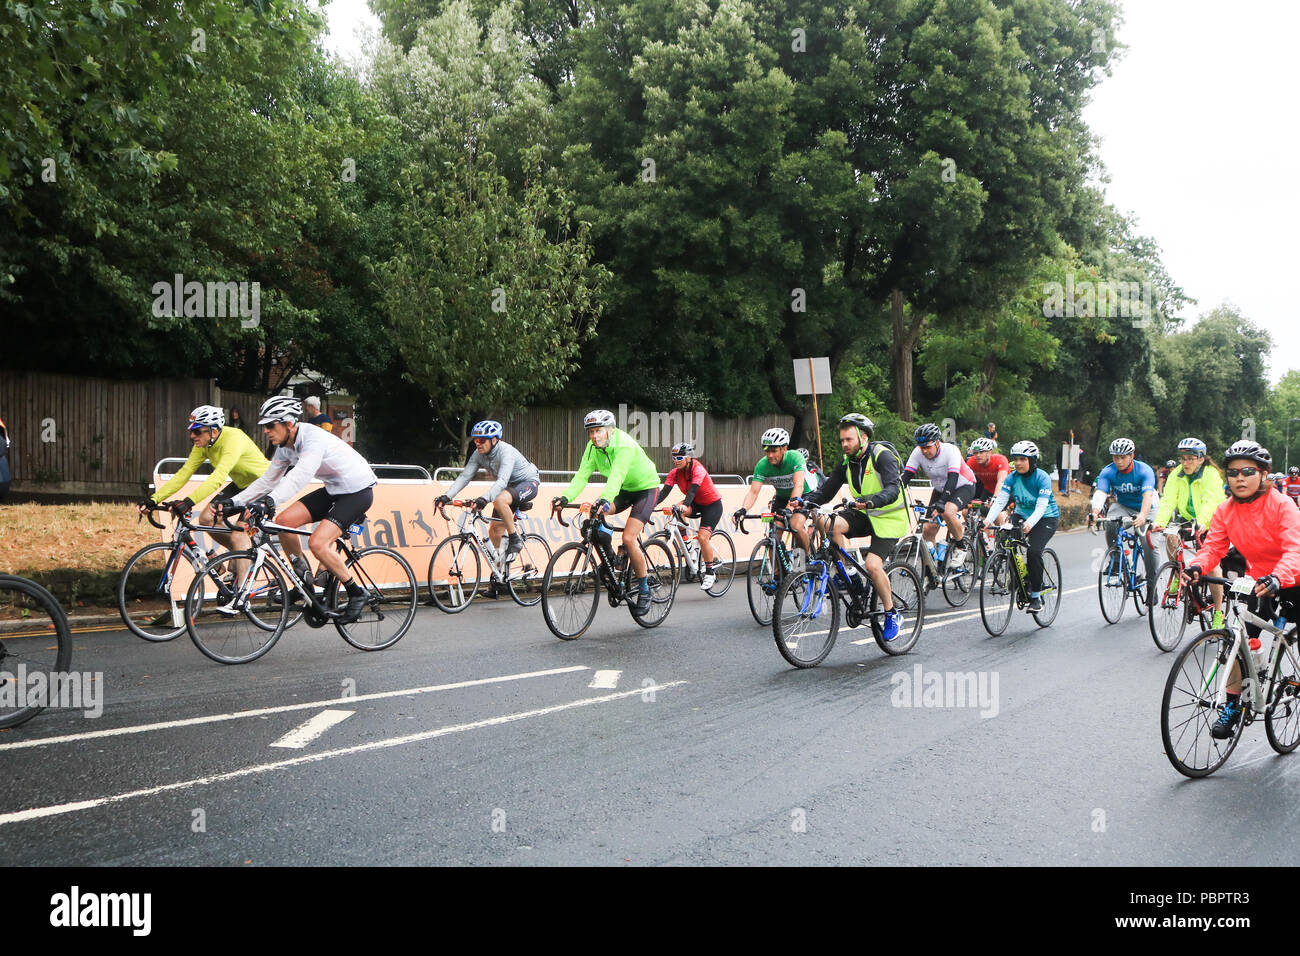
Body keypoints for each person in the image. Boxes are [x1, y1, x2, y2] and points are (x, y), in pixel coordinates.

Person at [217, 396, 378, 622]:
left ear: (288, 424)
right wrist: (234, 502)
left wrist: (269, 502)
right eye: (265, 426)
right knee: (283, 522)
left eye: (271, 425)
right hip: (334, 490)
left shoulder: (313, 438)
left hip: (357, 492)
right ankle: (306, 583)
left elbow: (300, 475)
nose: (266, 431)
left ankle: (356, 593)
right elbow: (267, 481)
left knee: (317, 543)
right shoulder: (284, 447)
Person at [1183, 441, 1300, 738]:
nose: (1239, 477)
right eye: (1232, 472)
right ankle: (1234, 705)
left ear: (1263, 474)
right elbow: (1214, 549)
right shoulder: (1226, 510)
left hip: (1293, 577)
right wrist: (1196, 567)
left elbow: (1294, 550)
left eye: (1248, 471)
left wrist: (1279, 577)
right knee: (1240, 640)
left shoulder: (1282, 505)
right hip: (1260, 580)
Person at [795, 413, 907, 641]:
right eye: (842, 440)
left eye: (849, 440)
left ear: (863, 437)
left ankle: (891, 612)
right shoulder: (847, 462)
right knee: (826, 522)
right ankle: (850, 574)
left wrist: (872, 500)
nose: (845, 444)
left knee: (873, 565)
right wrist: (805, 501)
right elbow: (827, 490)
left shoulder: (881, 456)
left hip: (889, 518)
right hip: (865, 513)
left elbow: (893, 488)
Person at [552, 409, 662, 614]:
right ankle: (613, 559)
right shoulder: (592, 448)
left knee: (629, 538)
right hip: (624, 490)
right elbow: (581, 475)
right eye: (591, 432)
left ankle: (645, 589)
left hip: (646, 489)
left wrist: (605, 499)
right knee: (594, 519)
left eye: (598, 431)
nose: (594, 436)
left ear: (610, 430)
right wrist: (565, 497)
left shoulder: (624, 444)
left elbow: (617, 475)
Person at [138, 405, 271, 563]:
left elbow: (218, 477)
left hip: (263, 485)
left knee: (238, 534)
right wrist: (154, 499)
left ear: (214, 431)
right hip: (242, 484)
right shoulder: (203, 444)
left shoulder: (234, 438)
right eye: (191, 431)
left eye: (197, 431)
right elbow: (184, 473)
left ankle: (241, 583)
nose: (192, 436)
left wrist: (188, 502)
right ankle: (241, 554)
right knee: (207, 519)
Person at [436, 420, 540, 562]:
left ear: (494, 440)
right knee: (494, 532)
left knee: (499, 500)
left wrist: (485, 498)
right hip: (507, 488)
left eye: (482, 440)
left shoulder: (506, 452)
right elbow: (465, 476)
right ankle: (500, 574)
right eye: (475, 440)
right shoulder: (478, 454)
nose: (477, 443)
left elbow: (502, 481)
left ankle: (515, 539)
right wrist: (447, 496)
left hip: (527, 482)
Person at [1151, 437, 1227, 626]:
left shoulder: (1211, 474)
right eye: (1183, 458)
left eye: (1191, 458)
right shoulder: (1176, 473)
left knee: (1211, 565)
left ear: (1201, 459)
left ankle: (1219, 613)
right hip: (1187, 516)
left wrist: (1202, 522)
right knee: (1170, 535)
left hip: (1211, 519)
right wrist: (1159, 522)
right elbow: (1168, 499)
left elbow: (1212, 500)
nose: (1185, 463)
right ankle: (1178, 574)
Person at [982, 441, 1060, 612]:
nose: (1018, 463)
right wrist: (988, 520)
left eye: (1022, 459)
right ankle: (1020, 578)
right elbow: (1001, 500)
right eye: (1016, 459)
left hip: (1046, 518)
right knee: (1005, 541)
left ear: (1032, 461)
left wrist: (1029, 524)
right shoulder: (1012, 477)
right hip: (1021, 515)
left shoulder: (1042, 477)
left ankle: (1036, 596)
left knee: (1033, 552)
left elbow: (1041, 507)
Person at [1091, 437, 1159, 600]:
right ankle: (1116, 558)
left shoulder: (1144, 471)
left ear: (1132, 456)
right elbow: (1101, 494)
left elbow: (1148, 496)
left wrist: (1143, 515)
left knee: (1147, 542)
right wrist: (1094, 513)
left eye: (1123, 457)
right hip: (1123, 506)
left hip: (1147, 506)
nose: (1119, 461)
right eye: (1115, 457)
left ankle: (1152, 583)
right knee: (1111, 524)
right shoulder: (1108, 471)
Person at [903, 423, 978, 566]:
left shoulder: (951, 451)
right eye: (921, 447)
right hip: (940, 489)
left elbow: (953, 478)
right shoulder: (918, 452)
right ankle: (931, 569)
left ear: (937, 443)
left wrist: (943, 502)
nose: (924, 451)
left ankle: (961, 547)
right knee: (927, 529)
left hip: (963, 485)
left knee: (948, 512)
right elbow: (906, 477)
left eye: (927, 447)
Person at [732, 428, 813, 557]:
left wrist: (789, 508)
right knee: (774, 534)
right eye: (767, 450)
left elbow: (799, 485)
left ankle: (808, 558)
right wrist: (743, 509)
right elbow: (753, 492)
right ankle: (775, 575)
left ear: (784, 449)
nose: (770, 455)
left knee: (795, 525)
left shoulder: (795, 457)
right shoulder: (762, 465)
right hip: (782, 498)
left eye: (774, 451)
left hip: (803, 495)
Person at [655, 441, 723, 590]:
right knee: (675, 511)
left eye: (679, 458)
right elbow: (664, 492)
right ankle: (689, 547)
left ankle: (710, 573)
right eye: (674, 458)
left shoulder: (698, 469)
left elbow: (692, 491)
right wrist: (651, 506)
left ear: (689, 458)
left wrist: (685, 505)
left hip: (712, 505)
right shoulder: (674, 473)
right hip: (695, 503)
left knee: (703, 537)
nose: (676, 461)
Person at [966, 438, 1010, 524]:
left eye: (981, 452)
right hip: (988, 490)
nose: (978, 455)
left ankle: (1001, 535)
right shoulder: (972, 461)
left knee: (996, 513)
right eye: (975, 452)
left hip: (1005, 490)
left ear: (990, 452)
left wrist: (995, 498)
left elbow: (1001, 481)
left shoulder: (1000, 460)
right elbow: (965, 479)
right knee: (972, 513)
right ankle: (985, 536)